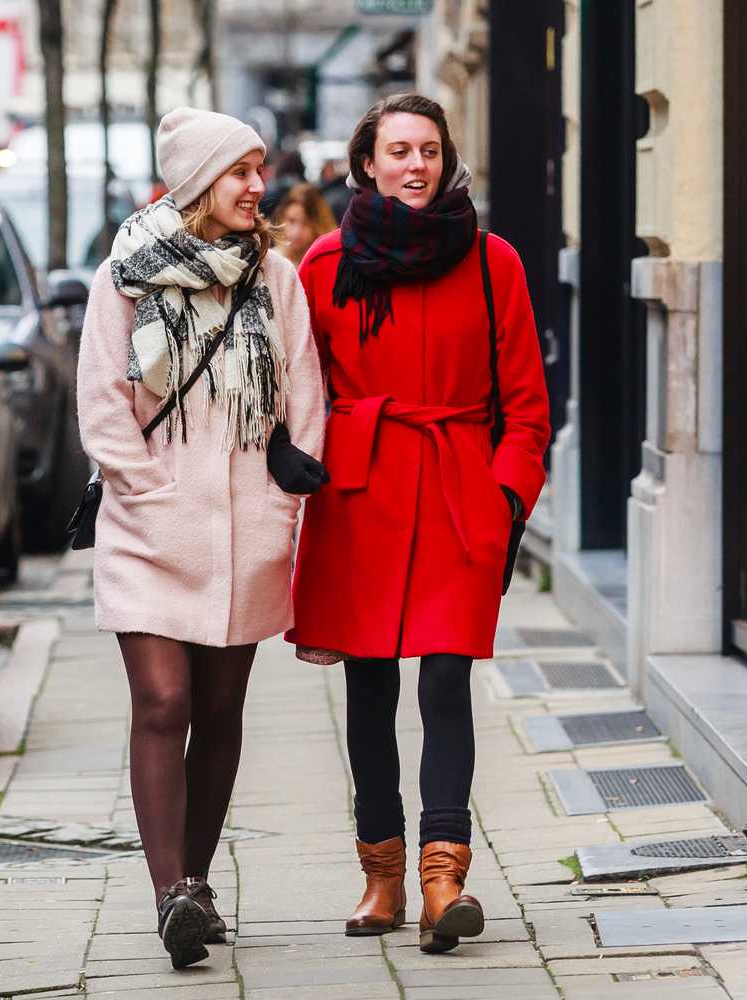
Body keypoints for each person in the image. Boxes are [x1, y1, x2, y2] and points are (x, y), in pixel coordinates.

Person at [287, 93, 551, 954]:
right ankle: (382, 876)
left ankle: (445, 882)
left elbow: (528, 410)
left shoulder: (491, 261)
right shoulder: (324, 266)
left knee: (444, 683)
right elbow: (297, 399)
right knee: (369, 689)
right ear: (367, 161)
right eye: (398, 150)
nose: (415, 166)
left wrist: (504, 498)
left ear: (445, 159)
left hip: (456, 496)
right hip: (359, 500)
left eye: (429, 150)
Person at [76, 106, 331, 970]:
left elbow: (305, 394)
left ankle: (198, 880)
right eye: (240, 171)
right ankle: (170, 894)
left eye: (259, 170)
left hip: (247, 529)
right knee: (164, 704)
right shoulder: (125, 275)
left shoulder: (275, 277)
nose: (257, 187)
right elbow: (103, 406)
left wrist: (279, 506)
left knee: (220, 711)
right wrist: (147, 493)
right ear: (196, 182)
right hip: (150, 529)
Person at [271, 182, 338, 265]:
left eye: (305, 223)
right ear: (283, 218)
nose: (296, 232)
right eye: (292, 221)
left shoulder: (328, 261)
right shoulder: (272, 260)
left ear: (318, 224)